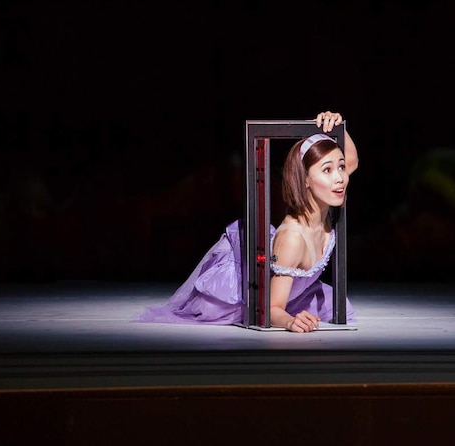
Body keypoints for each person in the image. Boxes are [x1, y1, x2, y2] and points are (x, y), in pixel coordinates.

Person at [137, 111, 358, 332]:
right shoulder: (293, 238)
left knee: (335, 304)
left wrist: (337, 125)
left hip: (292, 289)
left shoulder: (328, 202)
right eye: (327, 170)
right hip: (249, 288)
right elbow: (271, 307)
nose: (339, 177)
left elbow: (351, 160)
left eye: (340, 167)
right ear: (305, 181)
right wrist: (290, 321)